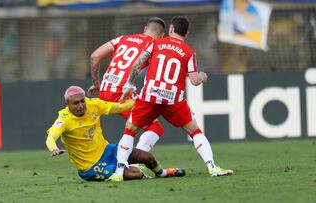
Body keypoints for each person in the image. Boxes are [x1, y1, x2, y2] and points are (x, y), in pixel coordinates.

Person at [109, 16, 234, 181]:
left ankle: (119, 173)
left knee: (130, 130)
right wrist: (203, 76)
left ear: (171, 29)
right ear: (187, 34)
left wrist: (130, 85)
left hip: (150, 96)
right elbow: (195, 81)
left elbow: (137, 63)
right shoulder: (189, 53)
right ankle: (212, 167)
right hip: (172, 99)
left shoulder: (155, 43)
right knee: (195, 131)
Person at [46, 86, 185, 181]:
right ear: (67, 103)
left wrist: (142, 100)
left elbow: (120, 107)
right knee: (134, 174)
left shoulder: (93, 105)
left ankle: (162, 173)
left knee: (146, 157)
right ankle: (138, 173)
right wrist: (54, 149)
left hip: (107, 151)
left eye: (82, 101)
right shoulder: (64, 119)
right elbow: (51, 137)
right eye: (76, 103)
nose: (81, 105)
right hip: (90, 167)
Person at [87, 17, 166, 152]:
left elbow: (95, 56)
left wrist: (96, 83)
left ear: (145, 29)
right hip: (122, 93)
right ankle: (135, 162)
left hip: (104, 91)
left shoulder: (122, 39)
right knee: (155, 128)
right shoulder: (154, 45)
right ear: (162, 36)